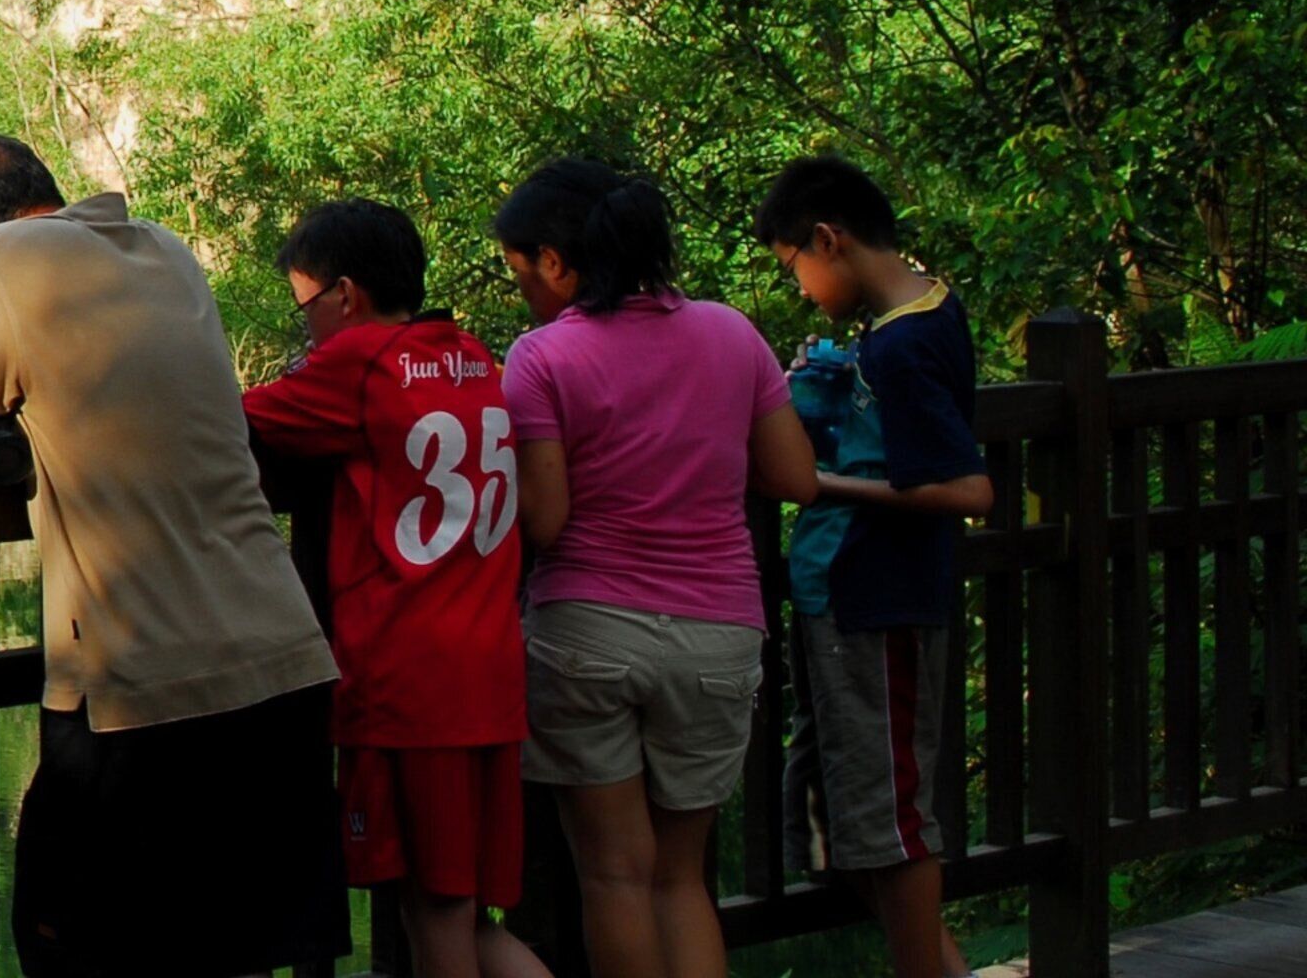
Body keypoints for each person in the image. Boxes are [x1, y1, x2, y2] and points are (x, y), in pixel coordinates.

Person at [0, 134, 347, 978]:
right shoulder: (165, 250)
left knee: (72, 946)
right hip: (277, 660)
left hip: (144, 683)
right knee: (227, 955)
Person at [495, 159, 818, 978]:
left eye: (521, 271)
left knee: (614, 875)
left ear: (558, 263)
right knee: (681, 879)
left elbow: (548, 518)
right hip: (717, 634)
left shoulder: (540, 359)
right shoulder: (731, 332)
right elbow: (792, 479)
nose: (521, 291)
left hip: (588, 632)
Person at [242, 201, 551, 978]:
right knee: (471, 914)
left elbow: (227, 421)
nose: (307, 326)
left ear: (345, 295)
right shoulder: (473, 354)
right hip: (489, 669)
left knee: (434, 912)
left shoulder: (361, 363)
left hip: (411, 683)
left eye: (306, 306)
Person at [762, 158, 991, 978]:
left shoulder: (906, 340)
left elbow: (968, 486)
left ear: (830, 239)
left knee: (889, 823)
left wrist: (820, 483)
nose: (798, 288)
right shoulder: (910, 319)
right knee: (841, 825)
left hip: (880, 602)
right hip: (844, 599)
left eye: (794, 267)